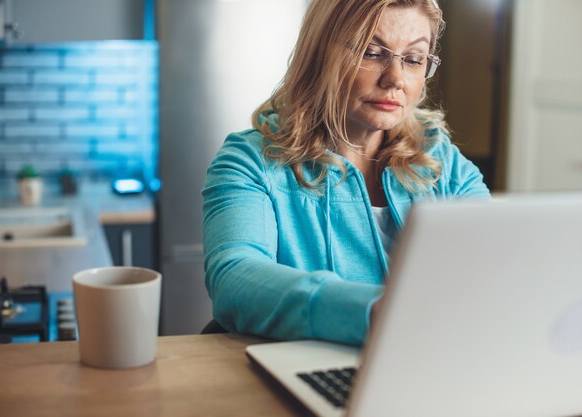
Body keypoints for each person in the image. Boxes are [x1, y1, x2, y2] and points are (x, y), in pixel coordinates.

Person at [201, 0, 490, 346]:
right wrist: (376, 312)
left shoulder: (442, 162)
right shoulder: (251, 161)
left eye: (413, 60)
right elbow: (235, 280)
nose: (395, 79)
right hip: (302, 373)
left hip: (423, 365)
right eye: (371, 52)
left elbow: (493, 263)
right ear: (320, 54)